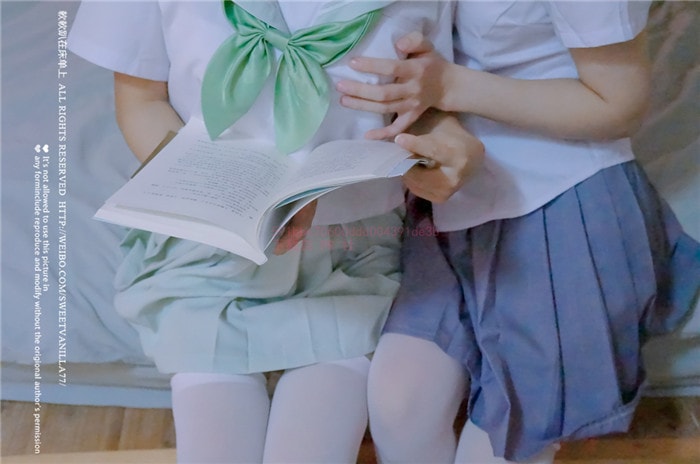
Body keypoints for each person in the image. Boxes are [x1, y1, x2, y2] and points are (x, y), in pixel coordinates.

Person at [68, 1, 483, 462]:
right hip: (208, 248)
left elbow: (424, 104)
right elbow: (141, 100)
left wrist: (450, 144)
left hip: (349, 258)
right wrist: (239, 197)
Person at [337, 1, 700, 463]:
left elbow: (620, 104)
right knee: (399, 408)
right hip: (453, 199)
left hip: (563, 193)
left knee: (508, 437)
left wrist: (448, 86)